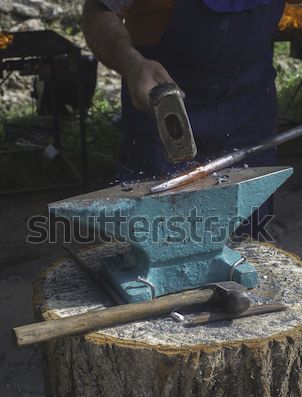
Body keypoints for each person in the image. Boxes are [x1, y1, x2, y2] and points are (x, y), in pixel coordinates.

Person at [82, 0, 299, 238]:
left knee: (249, 233)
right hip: (164, 105)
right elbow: (99, 9)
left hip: (250, 103)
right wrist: (131, 63)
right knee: (161, 231)